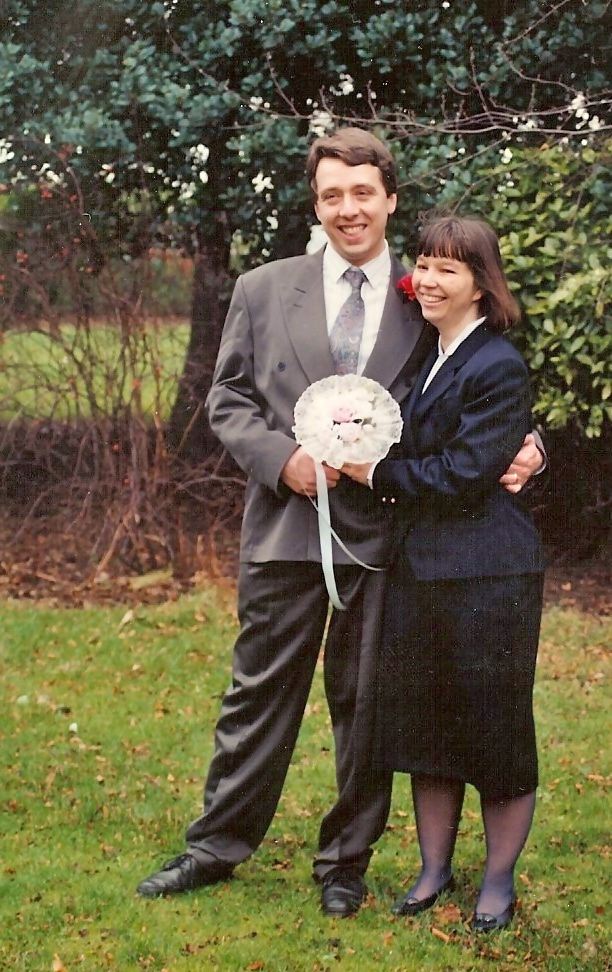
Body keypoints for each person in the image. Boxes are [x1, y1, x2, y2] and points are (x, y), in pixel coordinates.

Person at [137, 130, 543, 917]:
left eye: (363, 192)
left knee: (365, 705)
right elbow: (227, 398)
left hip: (385, 540)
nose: (348, 208)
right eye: (332, 195)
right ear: (315, 203)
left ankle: (345, 863)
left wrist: (536, 446)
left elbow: (483, 382)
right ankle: (216, 845)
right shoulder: (263, 288)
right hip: (285, 527)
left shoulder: (427, 292)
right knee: (258, 692)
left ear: (389, 198)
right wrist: (281, 460)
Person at [343, 214, 545, 931]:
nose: (426, 279)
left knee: (493, 729)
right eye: (423, 264)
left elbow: (463, 473)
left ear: (480, 284)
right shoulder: (426, 350)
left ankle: (498, 881)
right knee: (425, 728)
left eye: (446, 269)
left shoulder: (497, 364)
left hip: (487, 575)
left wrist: (373, 473)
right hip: (420, 568)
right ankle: (433, 871)